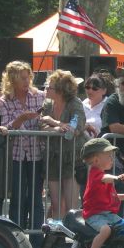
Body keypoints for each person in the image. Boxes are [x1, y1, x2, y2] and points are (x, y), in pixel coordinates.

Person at [0, 60, 46, 248]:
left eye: (28, 78)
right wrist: (21, 119)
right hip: (17, 153)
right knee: (17, 197)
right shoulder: (5, 100)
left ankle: (36, 244)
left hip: (36, 152)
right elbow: (6, 127)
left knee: (35, 197)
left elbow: (46, 121)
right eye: (21, 78)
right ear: (12, 80)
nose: (26, 82)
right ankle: (16, 242)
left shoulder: (40, 96)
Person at [80, 138, 124, 248]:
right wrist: (118, 178)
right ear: (96, 160)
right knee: (105, 230)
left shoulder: (107, 179)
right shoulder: (95, 174)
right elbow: (104, 178)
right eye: (108, 156)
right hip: (94, 214)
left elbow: (113, 197)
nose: (112, 159)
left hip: (107, 214)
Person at [40, 69, 87, 217]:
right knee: (55, 204)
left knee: (71, 206)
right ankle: (58, 238)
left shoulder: (75, 104)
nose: (46, 89)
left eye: (50, 87)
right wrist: (59, 127)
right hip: (53, 157)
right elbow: (41, 126)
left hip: (72, 158)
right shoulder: (48, 104)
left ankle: (72, 237)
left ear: (60, 90)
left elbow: (74, 129)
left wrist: (53, 122)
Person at [82, 72, 109, 138]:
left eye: (95, 88)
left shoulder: (109, 105)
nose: (90, 91)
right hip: (80, 145)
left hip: (100, 145)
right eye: (87, 87)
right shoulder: (82, 103)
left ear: (104, 91)